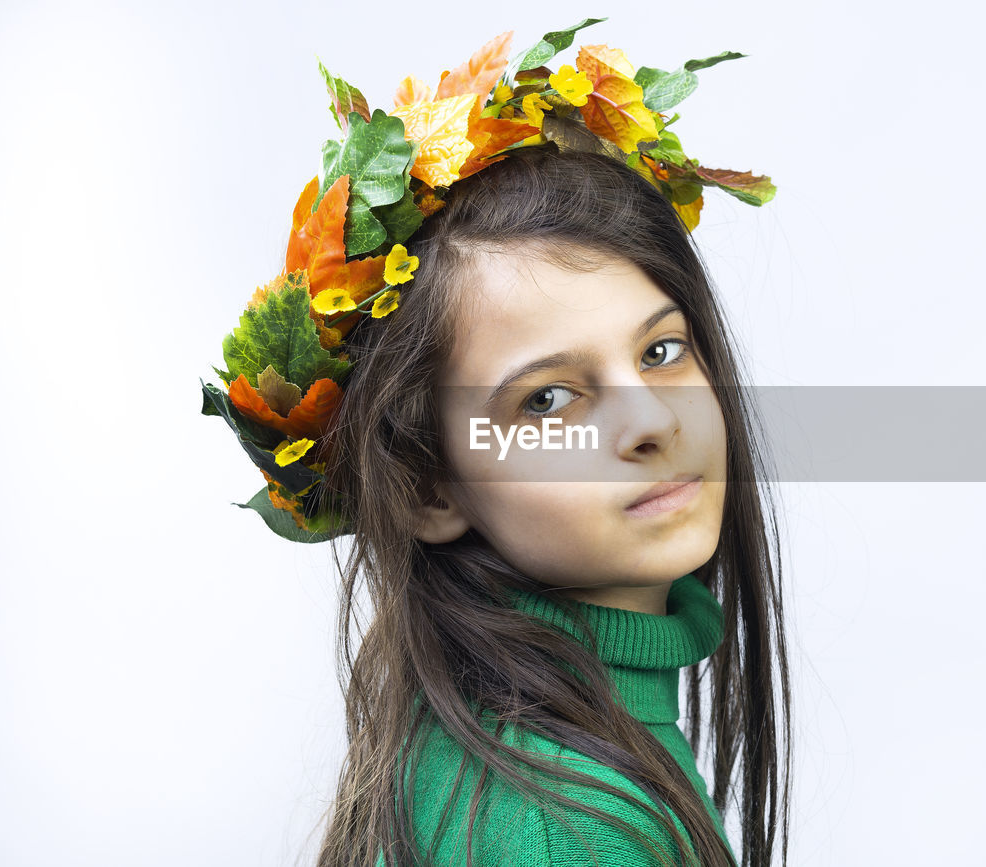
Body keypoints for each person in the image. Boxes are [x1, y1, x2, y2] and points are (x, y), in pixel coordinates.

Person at [201, 23, 790, 867]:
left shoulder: (525, 747)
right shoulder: (567, 834)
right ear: (428, 488)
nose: (654, 423)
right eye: (548, 399)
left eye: (661, 351)